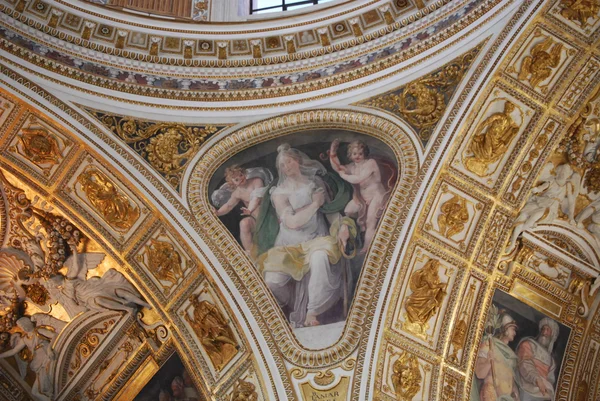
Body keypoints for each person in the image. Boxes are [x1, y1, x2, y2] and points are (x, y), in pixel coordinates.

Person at [256, 144, 354, 327]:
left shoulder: (315, 184)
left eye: (289, 162)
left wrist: (342, 227)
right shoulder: (278, 193)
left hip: (316, 240)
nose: (286, 167)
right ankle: (285, 307)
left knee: (320, 259)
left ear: (298, 161)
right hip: (289, 245)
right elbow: (292, 223)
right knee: (271, 281)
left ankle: (312, 312)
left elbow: (331, 212)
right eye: (282, 165)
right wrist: (314, 204)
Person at [329, 139, 389, 252]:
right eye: (354, 153)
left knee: (370, 222)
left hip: (376, 195)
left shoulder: (370, 163)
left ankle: (367, 247)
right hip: (362, 197)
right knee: (348, 211)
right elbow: (337, 168)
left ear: (364, 153)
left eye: (360, 153)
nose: (357, 156)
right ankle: (356, 235)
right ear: (350, 155)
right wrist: (333, 152)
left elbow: (358, 179)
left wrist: (344, 176)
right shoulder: (352, 167)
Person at [211, 165, 273, 255]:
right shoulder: (237, 193)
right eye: (236, 179)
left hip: (270, 217)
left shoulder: (256, 181)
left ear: (244, 174)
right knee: (244, 223)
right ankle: (251, 253)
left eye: (241, 175)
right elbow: (228, 205)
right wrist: (218, 212)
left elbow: (256, 198)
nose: (240, 178)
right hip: (257, 221)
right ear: (232, 183)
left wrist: (249, 209)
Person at [0, 317, 56, 401]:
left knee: (43, 381)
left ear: (27, 323)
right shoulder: (25, 339)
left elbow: (55, 335)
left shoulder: (38, 331)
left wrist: (49, 349)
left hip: (45, 354)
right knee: (34, 392)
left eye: (22, 325)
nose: (23, 327)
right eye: (21, 326)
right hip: (38, 360)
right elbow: (13, 351)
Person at [473, 313, 521, 401]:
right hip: (491, 394)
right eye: (513, 329)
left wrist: (515, 393)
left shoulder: (511, 354)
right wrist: (488, 362)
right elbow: (479, 373)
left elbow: (511, 378)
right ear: (505, 329)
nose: (514, 333)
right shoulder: (490, 344)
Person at [516, 317, 559, 401]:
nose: (544, 332)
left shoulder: (551, 360)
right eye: (543, 329)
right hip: (527, 387)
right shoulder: (529, 344)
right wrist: (537, 379)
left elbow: (550, 379)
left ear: (552, 335)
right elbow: (525, 364)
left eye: (548, 330)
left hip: (544, 393)